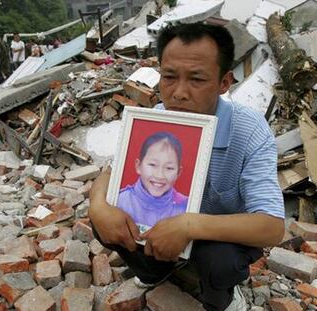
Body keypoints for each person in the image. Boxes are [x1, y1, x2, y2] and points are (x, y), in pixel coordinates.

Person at [89, 22, 284, 311]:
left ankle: (221, 299)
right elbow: (111, 174)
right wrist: (97, 208)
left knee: (222, 263)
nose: (179, 93)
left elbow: (272, 226)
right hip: (161, 223)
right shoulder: (157, 117)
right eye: (169, 76)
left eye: (196, 79)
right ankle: (155, 271)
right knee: (105, 220)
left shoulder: (250, 131)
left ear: (224, 82)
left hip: (216, 235)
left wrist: (189, 225)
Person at [117, 131, 188, 229]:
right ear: (138, 166)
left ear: (178, 172)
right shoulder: (120, 200)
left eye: (169, 168)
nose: (159, 175)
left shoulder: (185, 207)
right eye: (152, 165)